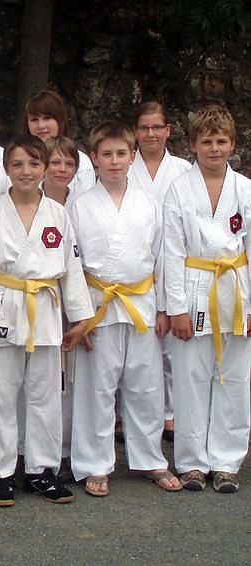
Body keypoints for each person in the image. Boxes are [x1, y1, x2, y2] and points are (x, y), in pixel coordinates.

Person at [0, 135, 93, 507]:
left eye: (34, 164)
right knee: (2, 398)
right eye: (18, 164)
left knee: (45, 396)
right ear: (6, 168)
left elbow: (71, 268)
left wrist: (80, 319)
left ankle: (41, 470)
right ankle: (1, 473)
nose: (26, 171)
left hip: (45, 310)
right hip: (2, 308)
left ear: (45, 168)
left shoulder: (58, 213)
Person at [69, 120, 181, 497]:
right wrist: (79, 316)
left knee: (146, 385)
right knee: (96, 388)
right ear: (94, 158)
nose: (114, 161)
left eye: (121, 153)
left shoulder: (148, 203)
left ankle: (150, 458)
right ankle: (94, 463)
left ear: (132, 156)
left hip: (141, 303)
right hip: (97, 306)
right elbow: (72, 264)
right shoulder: (80, 206)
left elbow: (162, 257)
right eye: (107, 154)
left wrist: (164, 308)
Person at [163, 105, 251, 494]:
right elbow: (170, 251)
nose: (214, 148)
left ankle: (226, 462)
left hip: (236, 289)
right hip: (193, 285)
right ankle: (192, 463)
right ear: (193, 144)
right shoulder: (180, 188)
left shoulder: (245, 188)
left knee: (235, 378)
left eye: (221, 141)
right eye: (207, 141)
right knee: (190, 379)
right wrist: (177, 309)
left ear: (232, 144)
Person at [129, 101, 192, 442]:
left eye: (157, 127)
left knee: (170, 348)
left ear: (168, 130)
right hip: (134, 262)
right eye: (144, 128)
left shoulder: (183, 170)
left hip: (174, 258)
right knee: (135, 348)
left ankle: (170, 413)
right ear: (135, 132)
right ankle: (126, 414)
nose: (151, 133)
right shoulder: (125, 166)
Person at [42, 135, 80, 482]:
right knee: (37, 383)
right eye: (55, 162)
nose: (62, 169)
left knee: (68, 382)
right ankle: (29, 451)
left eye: (69, 163)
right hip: (36, 302)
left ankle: (65, 450)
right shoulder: (27, 201)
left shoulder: (81, 206)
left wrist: (82, 315)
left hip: (72, 303)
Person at [23, 89, 95, 197]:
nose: (41, 125)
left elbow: (85, 203)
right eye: (34, 119)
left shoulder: (82, 163)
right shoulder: (17, 159)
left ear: (60, 121)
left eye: (47, 118)